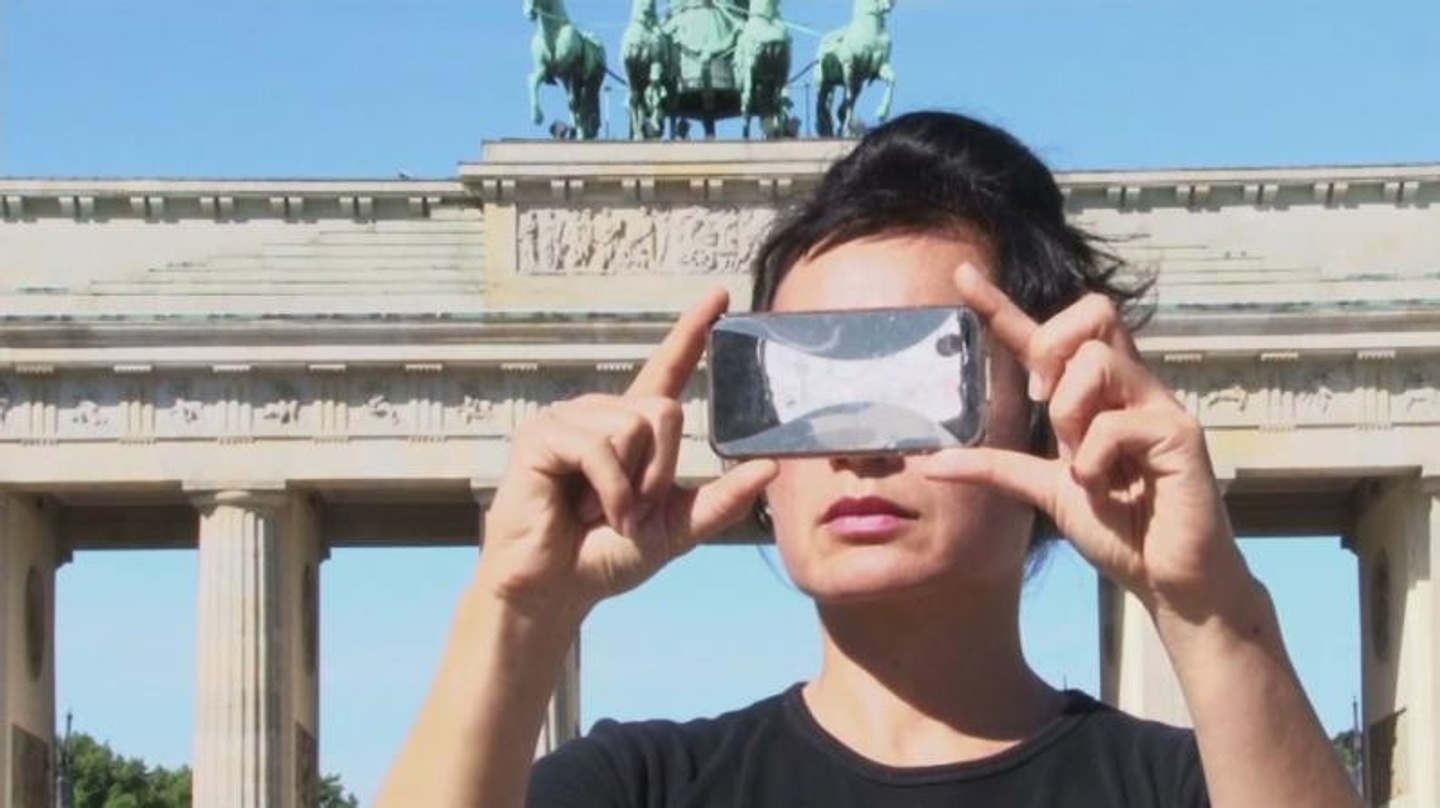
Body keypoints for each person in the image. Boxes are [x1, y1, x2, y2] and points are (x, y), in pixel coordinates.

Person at [378, 111, 1361, 808]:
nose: (859, 443)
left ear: (1049, 410)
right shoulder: (634, 787)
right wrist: (514, 613)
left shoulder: (1196, 788)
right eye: (804, 387)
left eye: (915, 376)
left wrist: (1215, 616)